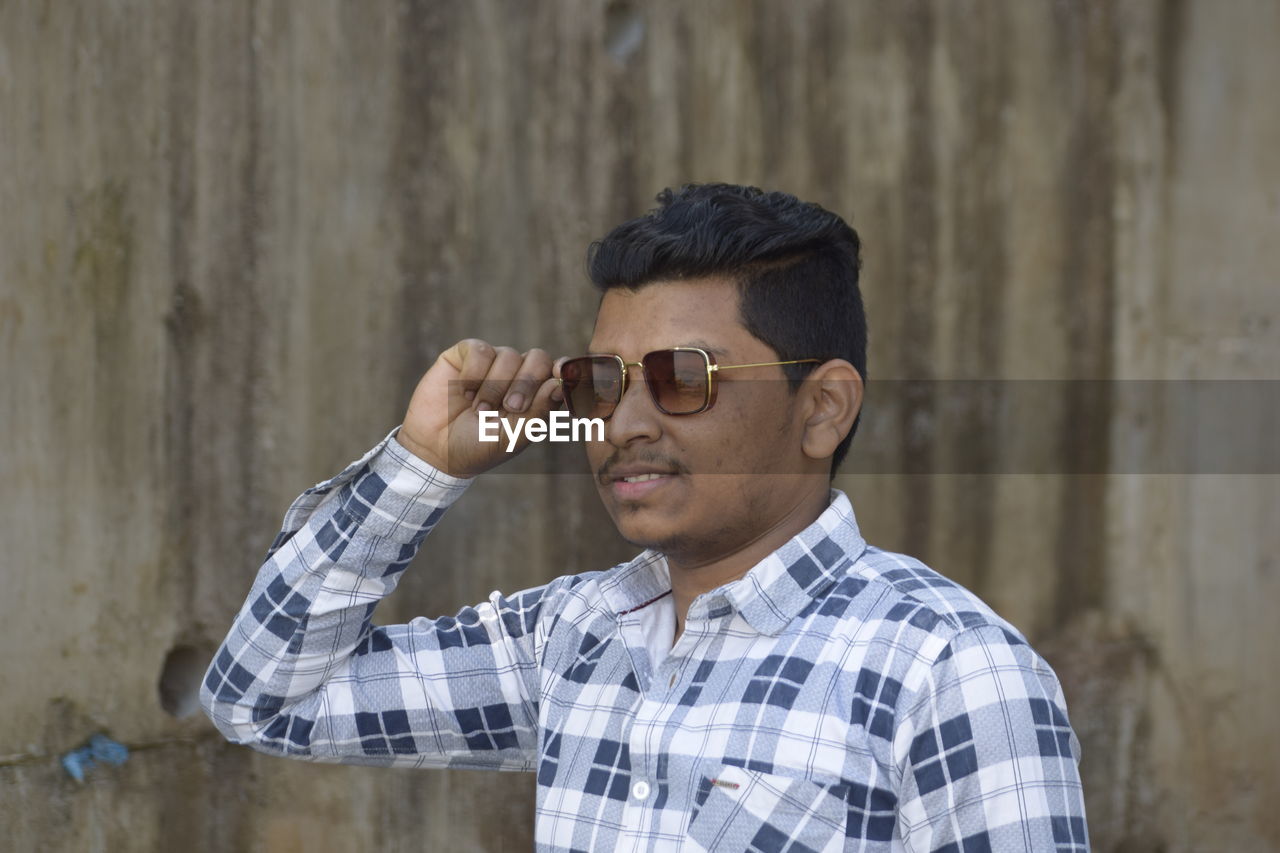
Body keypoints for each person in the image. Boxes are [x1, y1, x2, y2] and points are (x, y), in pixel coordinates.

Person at [202, 183, 1088, 851]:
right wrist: (420, 463)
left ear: (822, 408)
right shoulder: (570, 640)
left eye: (682, 379)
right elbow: (266, 699)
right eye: (603, 380)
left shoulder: (951, 673)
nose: (623, 423)